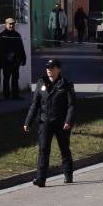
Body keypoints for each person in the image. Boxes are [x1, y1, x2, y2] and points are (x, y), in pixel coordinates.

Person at [24, 58, 77, 187]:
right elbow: (35, 104)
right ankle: (41, 178)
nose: (49, 70)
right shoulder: (41, 83)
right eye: (47, 68)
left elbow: (72, 105)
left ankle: (68, 174)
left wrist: (68, 121)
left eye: (52, 68)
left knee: (64, 148)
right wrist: (28, 122)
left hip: (61, 122)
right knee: (43, 149)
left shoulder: (66, 84)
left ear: (58, 69)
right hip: (45, 121)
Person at [0, 17, 26, 100]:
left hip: (16, 60)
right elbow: (0, 49)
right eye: (10, 24)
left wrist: (23, 58)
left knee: (15, 78)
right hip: (6, 61)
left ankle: (15, 94)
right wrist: (6, 56)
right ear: (6, 24)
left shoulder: (17, 34)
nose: (11, 25)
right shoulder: (2, 35)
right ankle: (6, 95)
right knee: (6, 78)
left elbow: (21, 47)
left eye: (13, 24)